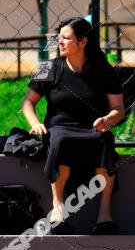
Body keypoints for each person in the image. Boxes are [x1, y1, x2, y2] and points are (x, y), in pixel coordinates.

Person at [21, 17, 125, 234]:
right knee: (60, 140)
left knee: (105, 140)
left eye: (66, 38)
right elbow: (28, 102)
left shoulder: (104, 70)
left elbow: (118, 108)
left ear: (83, 41)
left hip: (92, 128)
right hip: (59, 127)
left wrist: (108, 119)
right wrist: (35, 122)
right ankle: (58, 208)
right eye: (59, 38)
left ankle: (104, 214)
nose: (60, 42)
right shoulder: (49, 67)